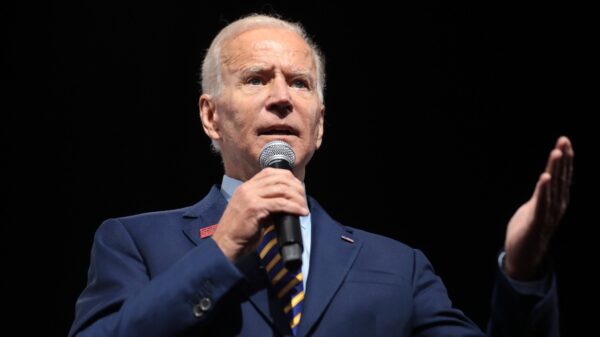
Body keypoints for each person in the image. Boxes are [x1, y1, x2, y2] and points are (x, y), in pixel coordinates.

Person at [68, 14, 574, 337]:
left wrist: (522, 275)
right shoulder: (134, 242)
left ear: (321, 123)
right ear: (210, 116)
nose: (282, 96)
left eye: (300, 83)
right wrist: (218, 254)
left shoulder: (400, 267)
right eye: (256, 79)